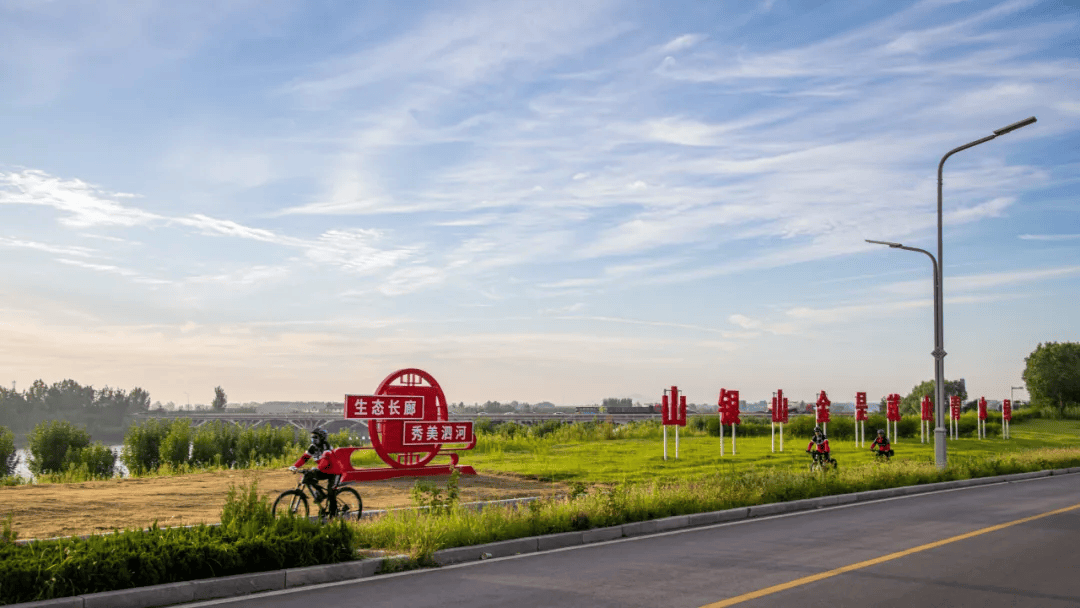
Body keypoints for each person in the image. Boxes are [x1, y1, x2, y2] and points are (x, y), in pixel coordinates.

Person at [290, 427, 337, 502]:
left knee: (331, 492)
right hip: (323, 470)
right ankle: (320, 494)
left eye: (315, 437)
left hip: (333, 471)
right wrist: (295, 466)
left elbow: (325, 461)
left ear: (321, 438)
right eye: (312, 437)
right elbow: (304, 458)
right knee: (308, 477)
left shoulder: (326, 447)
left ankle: (333, 512)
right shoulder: (313, 447)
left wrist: (317, 469)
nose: (313, 439)